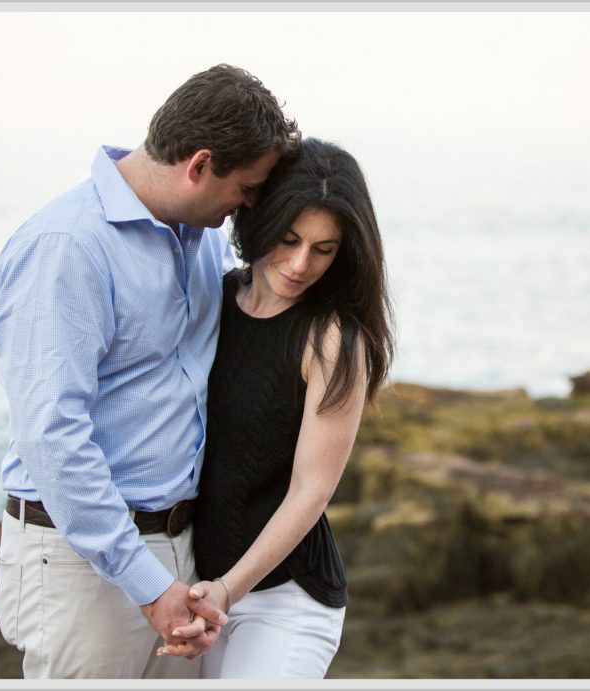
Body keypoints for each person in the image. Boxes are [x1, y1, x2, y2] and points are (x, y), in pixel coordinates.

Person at [0, 64, 299, 679]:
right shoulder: (66, 245)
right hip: (80, 561)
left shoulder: (203, 240)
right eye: (247, 187)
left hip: (181, 549)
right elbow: (52, 434)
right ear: (200, 164)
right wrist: (147, 582)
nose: (249, 205)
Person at [156, 138, 395, 678]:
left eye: (323, 249)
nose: (299, 263)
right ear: (258, 219)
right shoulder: (210, 301)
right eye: (288, 239)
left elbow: (311, 491)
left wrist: (226, 589)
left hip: (285, 598)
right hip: (195, 586)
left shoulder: (332, 340)